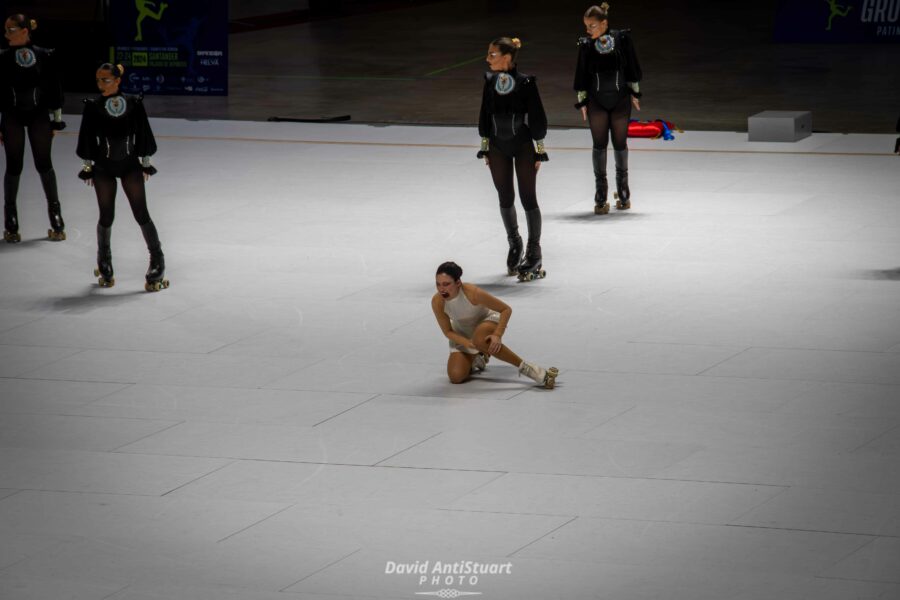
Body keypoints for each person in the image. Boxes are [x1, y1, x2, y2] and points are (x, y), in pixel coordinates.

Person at [76, 63, 168, 292]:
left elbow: (143, 132)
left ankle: (157, 259)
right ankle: (104, 258)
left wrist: (146, 163)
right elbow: (87, 135)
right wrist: (87, 166)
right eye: (98, 80)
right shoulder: (94, 106)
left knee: (141, 212)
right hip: (104, 167)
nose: (100, 84)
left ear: (117, 80)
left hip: (129, 166)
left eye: (105, 80)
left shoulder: (133, 103)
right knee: (106, 215)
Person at [477, 37, 549, 282]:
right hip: (498, 145)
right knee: (505, 196)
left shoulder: (525, 82)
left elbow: (537, 115)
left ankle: (534, 250)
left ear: (506, 57)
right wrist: (485, 146)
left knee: (528, 197)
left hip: (523, 145)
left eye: (492, 54)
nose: (487, 59)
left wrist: (539, 148)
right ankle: (515, 243)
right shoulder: (489, 81)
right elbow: (485, 114)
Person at [432, 261, 558, 388]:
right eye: (438, 284)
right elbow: (447, 331)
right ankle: (479, 355)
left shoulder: (472, 293)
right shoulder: (437, 302)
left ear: (458, 283)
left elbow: (505, 309)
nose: (441, 289)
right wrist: (468, 343)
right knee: (456, 376)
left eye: (446, 284)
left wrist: (498, 335)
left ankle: (530, 370)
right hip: (463, 332)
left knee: (480, 339)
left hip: (486, 321)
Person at [0, 14, 66, 243]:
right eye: (5, 30)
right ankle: (10, 219)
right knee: (14, 165)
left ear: (25, 31)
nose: (6, 34)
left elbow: (54, 86)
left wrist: (56, 118)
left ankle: (55, 214)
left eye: (10, 30)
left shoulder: (43, 55)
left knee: (44, 163)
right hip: (12, 116)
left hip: (38, 114)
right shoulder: (3, 57)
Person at [573, 3, 642, 214]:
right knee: (599, 144)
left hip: (620, 100)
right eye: (586, 26)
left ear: (604, 23)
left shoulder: (621, 39)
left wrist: (635, 92)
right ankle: (601, 190)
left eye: (592, 26)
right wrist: (583, 101)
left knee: (620, 143)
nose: (588, 30)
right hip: (597, 102)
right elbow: (581, 74)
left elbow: (631, 66)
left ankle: (623, 187)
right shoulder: (586, 45)